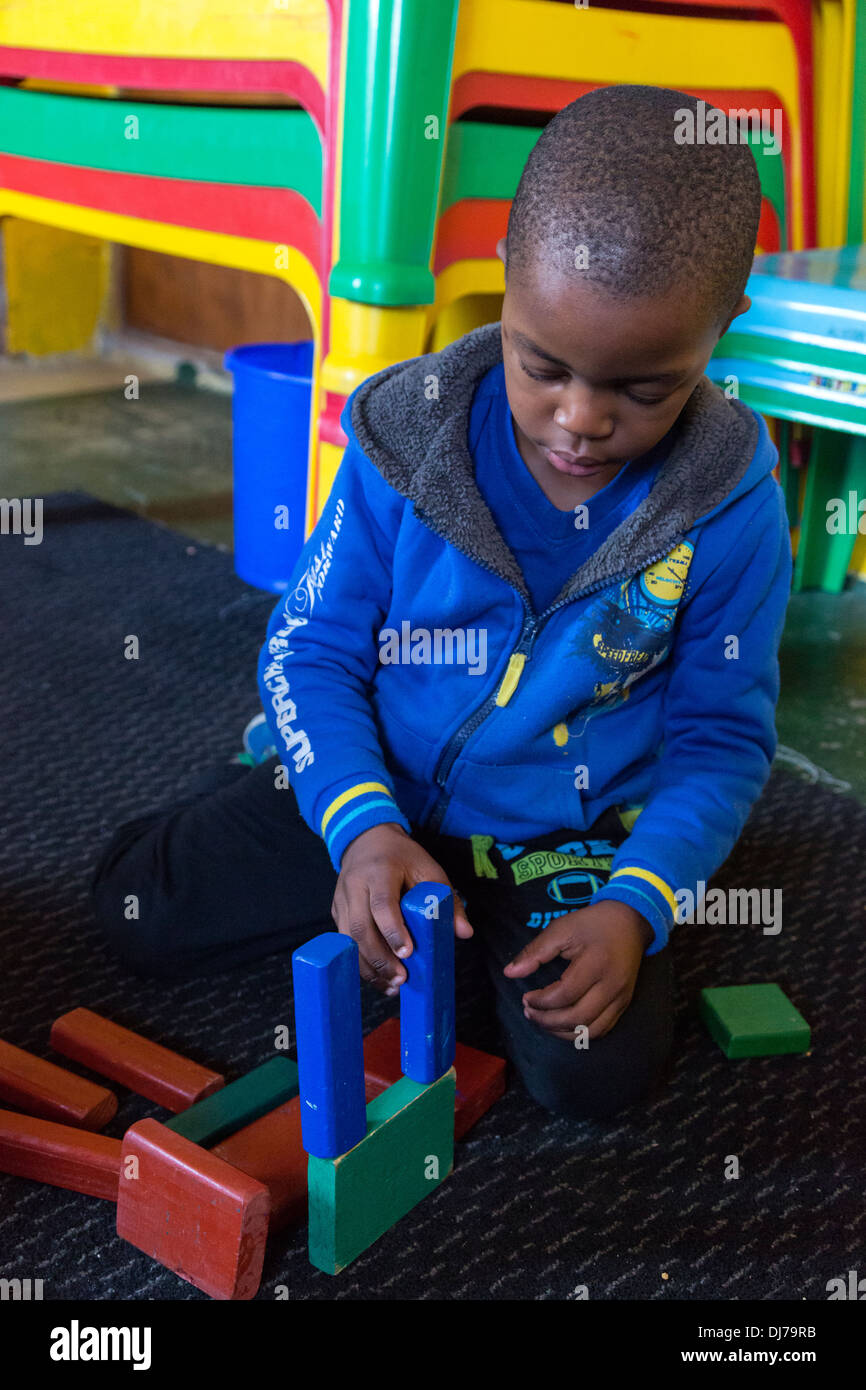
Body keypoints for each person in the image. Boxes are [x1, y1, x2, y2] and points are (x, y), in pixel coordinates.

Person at [91, 85, 792, 1120]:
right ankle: (302, 783)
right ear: (504, 271)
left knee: (594, 1074)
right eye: (541, 365)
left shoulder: (730, 503)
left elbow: (720, 742)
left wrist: (635, 902)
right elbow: (311, 649)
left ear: (721, 323)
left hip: (561, 832)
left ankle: (450, 917)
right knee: (134, 909)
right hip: (384, 775)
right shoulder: (403, 439)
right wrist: (358, 824)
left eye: (644, 388)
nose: (581, 420)